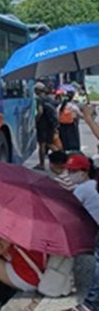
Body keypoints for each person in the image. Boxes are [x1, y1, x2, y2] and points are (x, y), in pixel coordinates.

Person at [65, 116, 99, 311]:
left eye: (74, 171)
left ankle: (91, 304)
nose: (70, 174)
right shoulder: (89, 184)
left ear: (84, 171)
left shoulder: (83, 189)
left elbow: (69, 212)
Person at [35, 82, 60, 169]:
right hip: (50, 124)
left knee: (42, 144)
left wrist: (36, 120)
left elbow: (40, 111)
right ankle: (62, 158)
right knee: (50, 143)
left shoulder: (39, 99)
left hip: (42, 125)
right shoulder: (50, 99)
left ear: (37, 90)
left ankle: (41, 164)